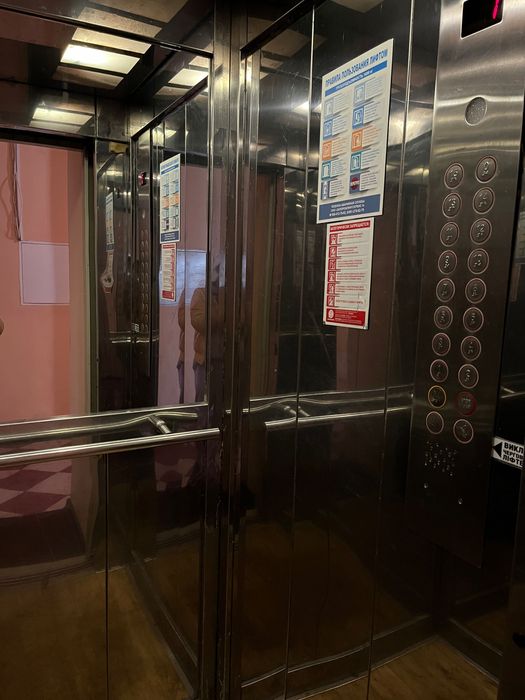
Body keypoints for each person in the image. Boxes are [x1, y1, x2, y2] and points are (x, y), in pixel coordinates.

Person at [190, 286, 206, 401]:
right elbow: (198, 322)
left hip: (226, 359)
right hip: (203, 360)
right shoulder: (201, 293)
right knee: (201, 403)